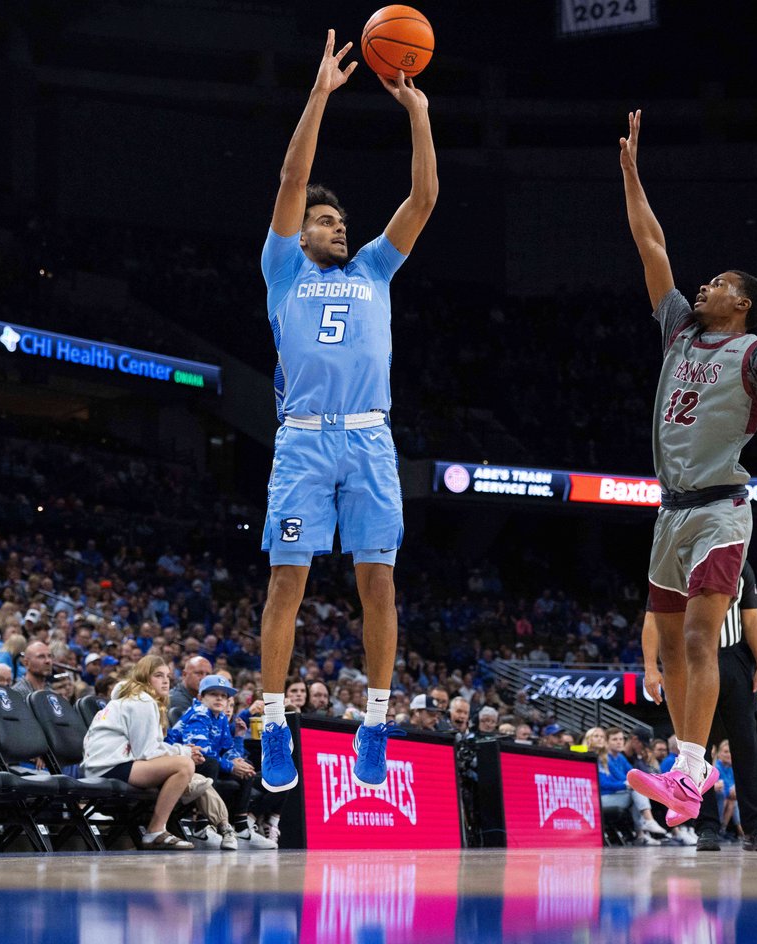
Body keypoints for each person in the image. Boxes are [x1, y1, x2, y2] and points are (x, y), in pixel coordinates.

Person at [619, 108, 757, 826]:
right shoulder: (680, 329)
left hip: (720, 507)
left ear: (740, 304)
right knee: (674, 644)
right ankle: (688, 772)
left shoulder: (754, 352)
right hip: (670, 510)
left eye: (717, 282)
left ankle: (689, 773)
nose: (704, 285)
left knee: (696, 636)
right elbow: (651, 244)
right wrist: (630, 175)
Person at [255, 29, 438, 794]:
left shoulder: (376, 268)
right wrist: (320, 95)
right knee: (286, 584)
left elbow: (424, 198)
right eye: (325, 220)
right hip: (302, 443)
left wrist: (417, 115)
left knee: (379, 583)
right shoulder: (281, 268)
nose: (337, 226)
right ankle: (271, 723)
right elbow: (294, 174)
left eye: (340, 221)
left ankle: (374, 721)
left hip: (367, 439)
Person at [643, 559, 757, 851]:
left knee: (747, 744)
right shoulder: (670, 562)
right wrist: (650, 667)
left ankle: (756, 828)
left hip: (733, 658)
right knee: (695, 746)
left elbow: (752, 618)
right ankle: (706, 828)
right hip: (690, 658)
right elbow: (653, 617)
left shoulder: (739, 563)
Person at [81, 656, 200, 850]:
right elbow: (148, 753)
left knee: (183, 765)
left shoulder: (132, 699)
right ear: (144, 677)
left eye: (168, 676)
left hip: (105, 765)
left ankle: (162, 829)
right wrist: (184, 751)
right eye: (158, 675)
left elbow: (147, 750)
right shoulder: (142, 701)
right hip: (110, 767)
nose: (165, 681)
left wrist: (181, 751)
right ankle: (155, 831)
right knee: (184, 766)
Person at [172, 675, 279, 848]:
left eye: (224, 696)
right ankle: (202, 825)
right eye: (214, 694)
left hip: (201, 762)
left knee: (246, 770)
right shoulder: (198, 714)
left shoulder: (220, 718)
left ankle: (243, 829)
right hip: (180, 764)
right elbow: (202, 752)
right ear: (201, 697)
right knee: (210, 763)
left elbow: (227, 748)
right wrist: (230, 766)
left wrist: (236, 761)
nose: (220, 698)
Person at [167, 655, 211, 726]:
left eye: (208, 674)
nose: (204, 678)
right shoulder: (176, 699)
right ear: (184, 674)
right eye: (199, 673)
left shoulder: (201, 697)